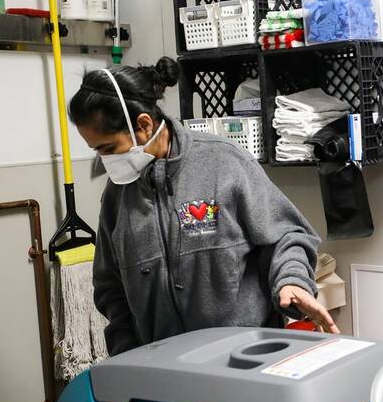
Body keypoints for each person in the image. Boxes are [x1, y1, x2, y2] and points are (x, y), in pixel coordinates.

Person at [69, 58, 338, 356]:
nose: (106, 160)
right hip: (164, 367)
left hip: (245, 360)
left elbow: (288, 235)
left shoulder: (224, 163)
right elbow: (110, 285)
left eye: (108, 148)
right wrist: (127, 351)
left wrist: (292, 281)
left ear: (143, 125)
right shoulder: (117, 196)